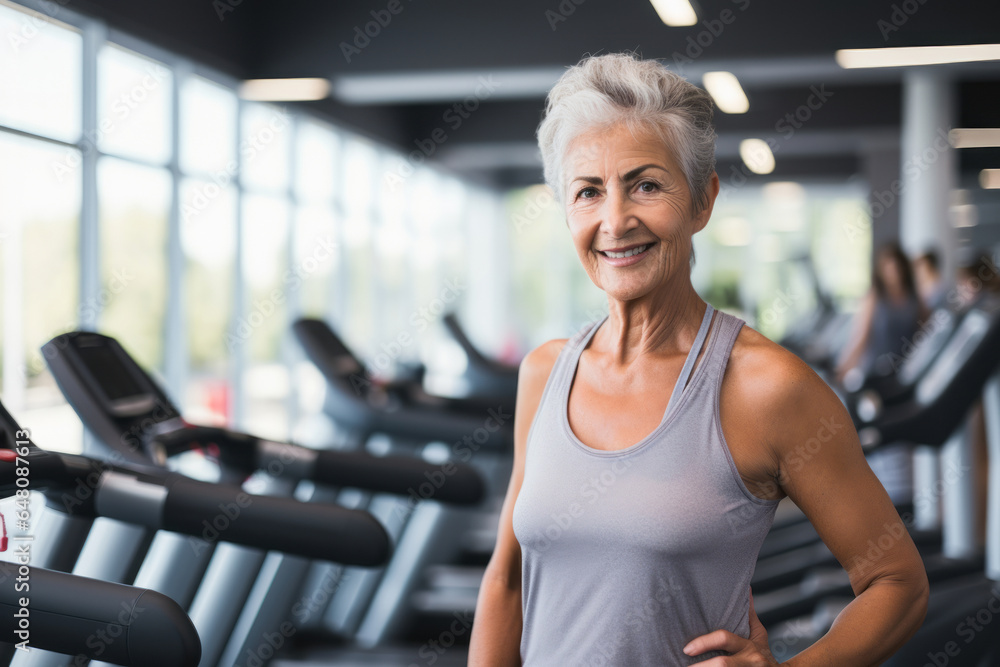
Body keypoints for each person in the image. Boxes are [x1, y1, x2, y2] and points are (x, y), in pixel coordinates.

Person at [468, 53, 928, 666]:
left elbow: (897, 583)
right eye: (588, 192)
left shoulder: (767, 388)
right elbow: (508, 582)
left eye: (647, 185)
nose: (615, 220)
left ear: (702, 202)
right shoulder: (545, 372)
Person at [835, 242, 924, 384]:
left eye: (897, 267)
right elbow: (860, 337)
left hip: (905, 373)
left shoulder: (915, 299)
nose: (893, 273)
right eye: (888, 268)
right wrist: (842, 368)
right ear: (881, 271)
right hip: (875, 371)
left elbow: (924, 334)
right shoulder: (874, 298)